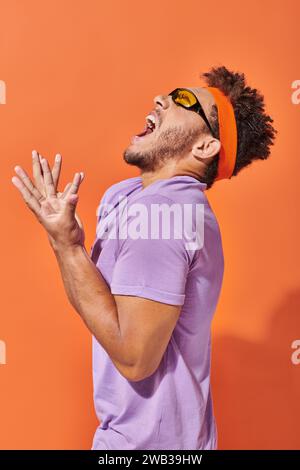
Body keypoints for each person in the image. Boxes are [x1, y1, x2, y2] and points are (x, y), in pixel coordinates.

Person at [11, 65, 277, 450]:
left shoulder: (164, 210)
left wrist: (68, 249)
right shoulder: (135, 198)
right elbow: (106, 310)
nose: (161, 100)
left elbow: (136, 358)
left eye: (183, 101)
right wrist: (64, 242)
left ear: (204, 147)